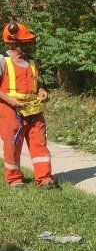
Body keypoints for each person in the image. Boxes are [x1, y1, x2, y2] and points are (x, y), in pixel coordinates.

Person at [0, 22, 56, 189]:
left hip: (34, 110)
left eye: (30, 42)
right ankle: (14, 179)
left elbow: (35, 85)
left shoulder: (32, 62)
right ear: (13, 42)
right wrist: (9, 100)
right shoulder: (2, 60)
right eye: (26, 42)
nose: (30, 45)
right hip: (11, 110)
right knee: (13, 145)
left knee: (39, 142)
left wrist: (42, 91)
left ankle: (44, 178)